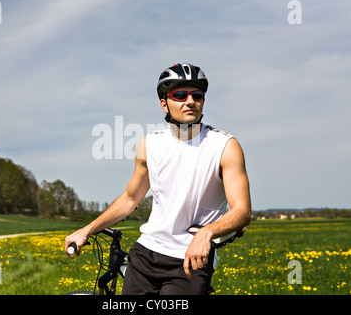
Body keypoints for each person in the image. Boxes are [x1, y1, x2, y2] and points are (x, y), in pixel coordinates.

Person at [65, 63, 251, 295]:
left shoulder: (225, 146)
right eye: (180, 95)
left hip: (189, 260)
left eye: (197, 94)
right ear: (164, 103)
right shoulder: (149, 144)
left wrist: (207, 233)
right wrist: (86, 230)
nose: (190, 101)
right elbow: (129, 199)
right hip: (146, 253)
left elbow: (242, 211)